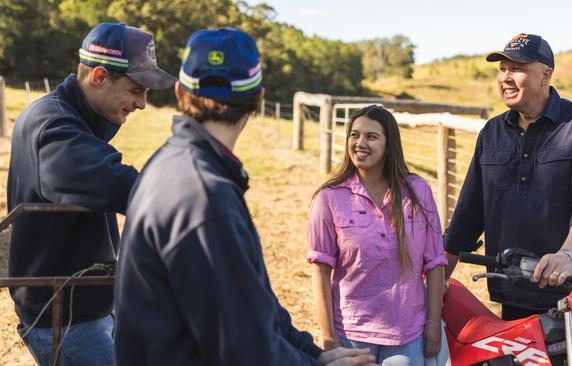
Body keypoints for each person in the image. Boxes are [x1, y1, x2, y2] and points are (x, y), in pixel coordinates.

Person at [113, 28, 377, 366]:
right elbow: (242, 349)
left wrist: (315, 354)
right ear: (259, 98)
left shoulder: (174, 165)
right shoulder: (206, 198)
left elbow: (254, 304)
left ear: (180, 92)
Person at [6, 22, 175, 365]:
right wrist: (186, 202)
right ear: (99, 77)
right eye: (135, 89)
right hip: (65, 319)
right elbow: (116, 183)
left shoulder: (75, 117)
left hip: (85, 306)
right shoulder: (53, 126)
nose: (142, 103)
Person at [443, 33, 572, 320]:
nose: (506, 78)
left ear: (545, 75)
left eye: (518, 69)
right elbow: (468, 215)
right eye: (502, 69)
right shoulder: (491, 133)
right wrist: (433, 286)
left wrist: (569, 256)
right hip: (516, 292)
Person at [307, 105, 448, 365]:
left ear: (389, 144)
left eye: (371, 137)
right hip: (350, 333)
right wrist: (328, 338)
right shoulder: (329, 198)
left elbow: (435, 262)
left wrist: (432, 322)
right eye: (355, 135)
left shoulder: (417, 191)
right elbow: (320, 271)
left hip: (407, 334)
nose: (360, 143)